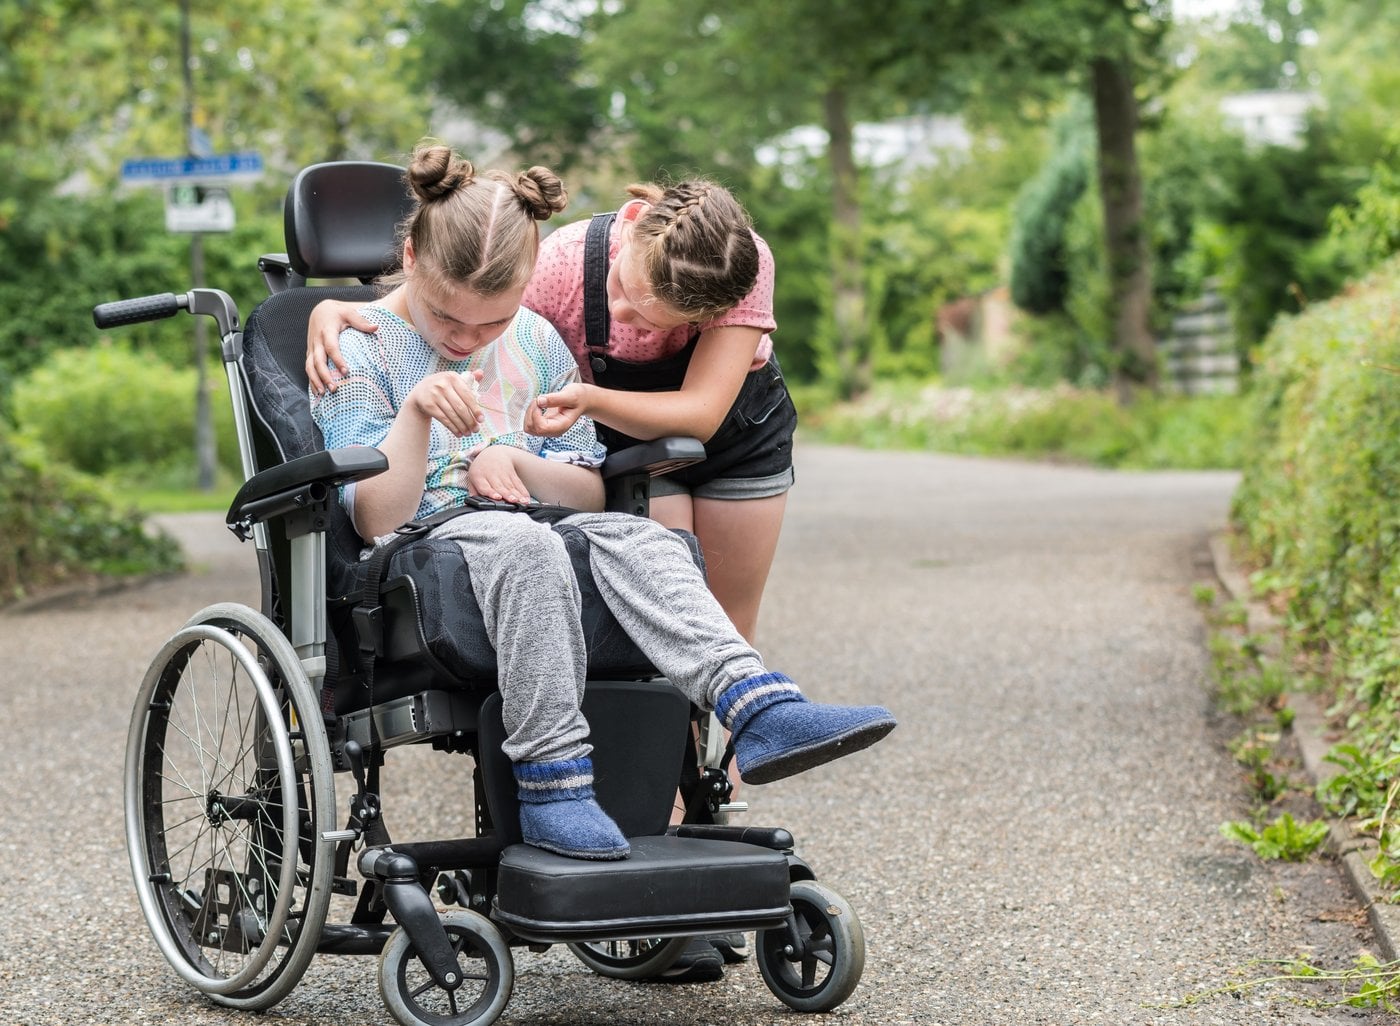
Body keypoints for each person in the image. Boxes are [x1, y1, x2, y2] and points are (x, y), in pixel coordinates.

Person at [310, 142, 896, 866]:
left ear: (526, 284)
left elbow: (586, 486)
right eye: (447, 319)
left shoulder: (534, 340)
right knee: (525, 548)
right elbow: (373, 519)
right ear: (409, 257)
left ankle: (760, 705)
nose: (466, 341)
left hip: (542, 517)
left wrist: (522, 461)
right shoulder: (358, 349)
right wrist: (418, 416)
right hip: (428, 539)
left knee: (641, 538)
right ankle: (554, 785)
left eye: (489, 324)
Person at [306, 173, 793, 646]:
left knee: (726, 619)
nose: (625, 317)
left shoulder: (735, 263)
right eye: (622, 290)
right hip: (624, 442)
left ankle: (756, 715)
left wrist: (581, 406)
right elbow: (460, 294)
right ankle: (672, 726)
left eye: (654, 319)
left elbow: (700, 415)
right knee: (662, 615)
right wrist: (332, 310)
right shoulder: (559, 265)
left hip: (734, 432)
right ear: (634, 222)